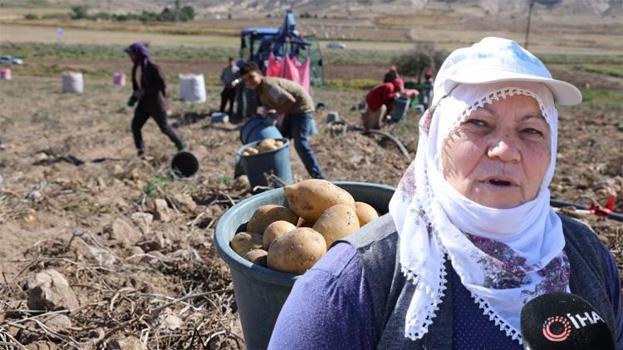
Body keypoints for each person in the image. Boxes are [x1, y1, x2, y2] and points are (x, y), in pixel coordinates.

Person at [268, 37, 623, 349]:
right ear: (436, 137)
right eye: (478, 123)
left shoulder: (590, 258)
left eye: (531, 130)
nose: (505, 149)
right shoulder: (351, 284)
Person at [239, 62, 324, 179]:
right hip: (291, 111)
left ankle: (319, 177)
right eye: (245, 80)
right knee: (279, 140)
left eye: (251, 77)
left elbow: (290, 100)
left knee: (301, 144)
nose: (249, 81)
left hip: (301, 108)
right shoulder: (260, 90)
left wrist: (277, 113)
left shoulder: (268, 85)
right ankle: (276, 173)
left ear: (259, 74)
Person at [125, 42, 185, 157]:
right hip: (143, 104)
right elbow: (137, 87)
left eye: (131, 54)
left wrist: (145, 91)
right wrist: (133, 97)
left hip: (156, 104)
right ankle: (141, 151)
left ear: (138, 54)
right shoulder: (135, 68)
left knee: (165, 128)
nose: (130, 56)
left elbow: (161, 85)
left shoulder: (153, 67)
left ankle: (182, 147)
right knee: (135, 126)